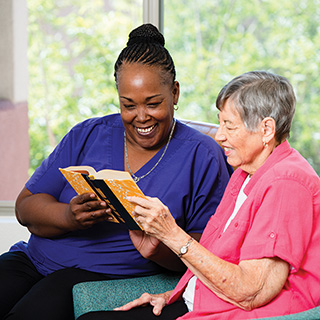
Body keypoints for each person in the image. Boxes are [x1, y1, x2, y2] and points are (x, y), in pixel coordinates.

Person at [0, 24, 232, 320]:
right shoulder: (88, 133)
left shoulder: (202, 155)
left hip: (95, 276)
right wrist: (69, 217)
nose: (141, 116)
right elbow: (25, 208)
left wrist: (157, 248)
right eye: (128, 105)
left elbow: (208, 254)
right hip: (32, 259)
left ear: (174, 93)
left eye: (154, 103)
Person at [78, 71, 320, 320]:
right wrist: (174, 294)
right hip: (199, 302)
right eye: (220, 122)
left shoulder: (286, 183)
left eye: (230, 125)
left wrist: (171, 233)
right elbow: (220, 259)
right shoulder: (244, 172)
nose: (219, 135)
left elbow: (252, 292)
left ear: (266, 129)